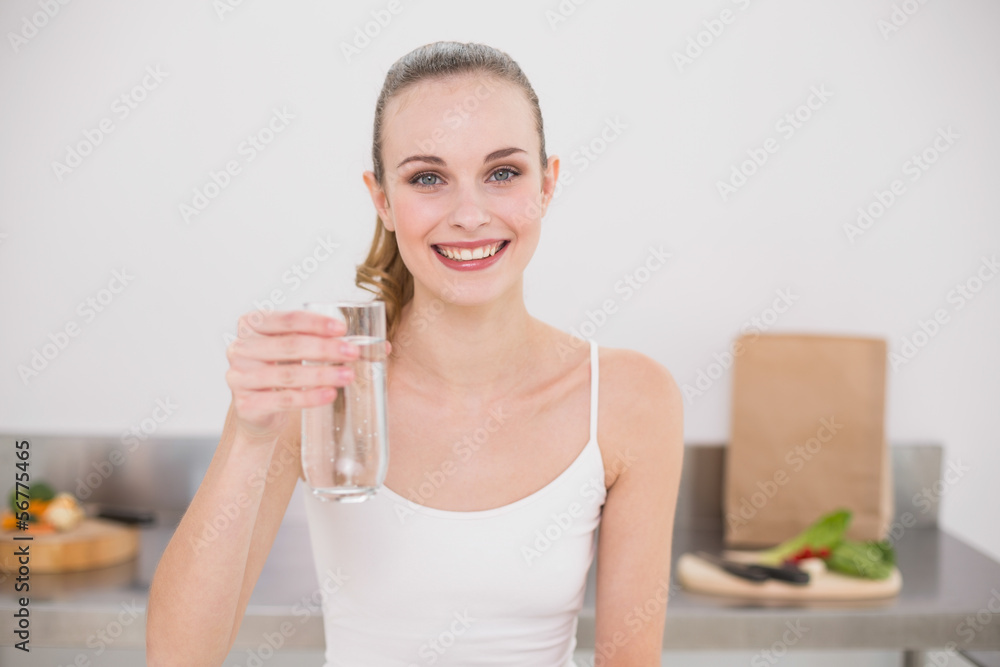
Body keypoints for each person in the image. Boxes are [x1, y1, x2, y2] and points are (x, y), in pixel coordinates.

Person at [146, 41, 683, 667]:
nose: (469, 214)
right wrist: (249, 431)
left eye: (503, 173)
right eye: (428, 178)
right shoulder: (327, 385)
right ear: (382, 200)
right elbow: (178, 657)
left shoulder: (629, 400)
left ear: (548, 183)